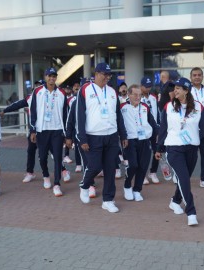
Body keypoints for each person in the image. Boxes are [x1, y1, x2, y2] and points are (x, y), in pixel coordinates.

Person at [155, 78, 204, 226]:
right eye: (174, 88)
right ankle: (191, 212)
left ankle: (175, 201)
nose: (175, 90)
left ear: (186, 90)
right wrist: (159, 148)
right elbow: (163, 129)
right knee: (184, 179)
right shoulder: (168, 106)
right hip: (174, 148)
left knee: (184, 180)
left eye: (178, 88)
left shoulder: (198, 107)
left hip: (191, 148)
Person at [77, 63, 128, 213]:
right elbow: (80, 116)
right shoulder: (85, 90)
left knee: (110, 169)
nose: (107, 77)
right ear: (96, 74)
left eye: (109, 75)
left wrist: (123, 134)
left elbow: (118, 115)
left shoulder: (112, 91)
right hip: (93, 136)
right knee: (94, 166)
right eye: (104, 74)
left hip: (111, 136)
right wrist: (82, 139)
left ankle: (108, 200)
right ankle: (85, 185)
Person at [1, 89, 71, 183]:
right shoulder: (31, 97)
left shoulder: (52, 96)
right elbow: (17, 104)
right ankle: (30, 172)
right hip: (34, 130)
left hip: (47, 129)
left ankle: (63, 170)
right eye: (36, 86)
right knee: (31, 150)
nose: (38, 88)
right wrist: (5, 110)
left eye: (40, 85)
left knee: (54, 152)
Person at [30, 67, 68, 197]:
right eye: (49, 76)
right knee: (42, 157)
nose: (52, 78)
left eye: (54, 76)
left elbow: (65, 114)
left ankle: (57, 184)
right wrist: (33, 130)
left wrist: (67, 133)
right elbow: (33, 112)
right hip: (42, 130)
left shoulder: (62, 93)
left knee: (58, 157)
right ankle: (45, 175)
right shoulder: (38, 91)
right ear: (45, 77)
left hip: (57, 130)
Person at [121, 84, 158, 201]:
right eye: (135, 94)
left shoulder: (145, 107)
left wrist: (158, 137)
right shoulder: (122, 107)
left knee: (143, 167)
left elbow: (152, 123)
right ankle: (127, 185)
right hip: (130, 140)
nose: (138, 97)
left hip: (144, 140)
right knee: (133, 165)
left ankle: (137, 190)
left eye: (140, 95)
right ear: (129, 94)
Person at [140, 76, 160, 184]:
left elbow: (157, 113)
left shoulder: (153, 97)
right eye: (145, 86)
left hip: (154, 128)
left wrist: (159, 127)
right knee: (144, 153)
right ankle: (142, 174)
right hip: (143, 129)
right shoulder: (138, 98)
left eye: (149, 86)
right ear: (141, 86)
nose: (148, 89)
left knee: (157, 150)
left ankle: (153, 172)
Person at [63, 85, 74, 164]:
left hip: (73, 121)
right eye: (66, 89)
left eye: (69, 89)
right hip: (64, 121)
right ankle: (66, 155)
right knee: (67, 138)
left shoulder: (73, 98)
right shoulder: (62, 98)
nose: (67, 90)